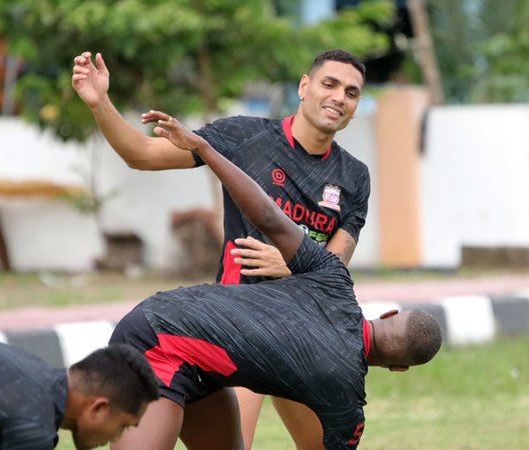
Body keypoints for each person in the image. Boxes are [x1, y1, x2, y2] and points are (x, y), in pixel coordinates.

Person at [72, 48, 371, 448]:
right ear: (304, 86)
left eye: (351, 93)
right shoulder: (245, 137)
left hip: (302, 335)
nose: (338, 97)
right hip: (237, 328)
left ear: (355, 108)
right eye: (329, 84)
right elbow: (141, 154)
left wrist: (289, 267)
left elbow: (336, 267)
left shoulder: (354, 177)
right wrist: (100, 102)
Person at [106, 113, 443, 450]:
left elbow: (267, 215)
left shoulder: (333, 277)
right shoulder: (346, 402)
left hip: (189, 349)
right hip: (158, 341)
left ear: (387, 315)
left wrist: (206, 150)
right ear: (399, 368)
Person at [0, 334, 160, 450]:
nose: (117, 438)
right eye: (123, 425)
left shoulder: (33, 368)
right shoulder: (33, 426)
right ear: (98, 407)